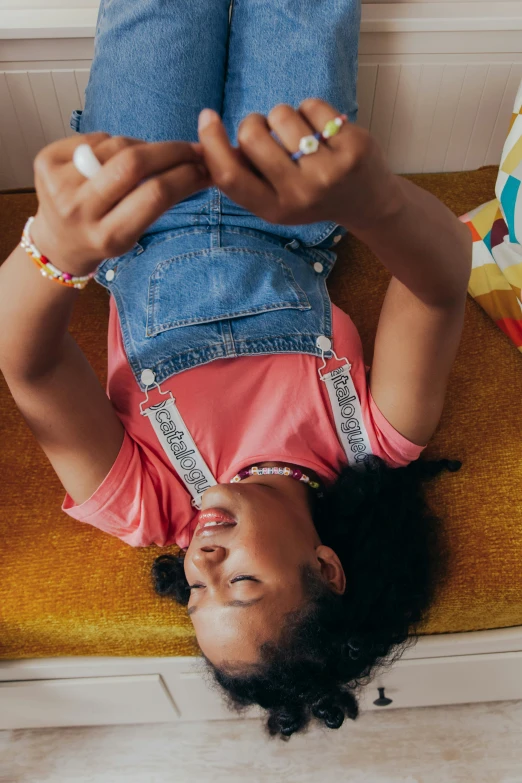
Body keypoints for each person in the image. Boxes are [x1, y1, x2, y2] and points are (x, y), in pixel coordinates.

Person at [0, 0, 471, 738]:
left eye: (195, 588)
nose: (205, 559)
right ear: (327, 568)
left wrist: (51, 247)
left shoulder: (147, 505)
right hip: (288, 203)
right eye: (241, 583)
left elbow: (28, 367)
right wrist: (375, 201)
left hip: (139, 204)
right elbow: (439, 286)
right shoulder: (375, 443)